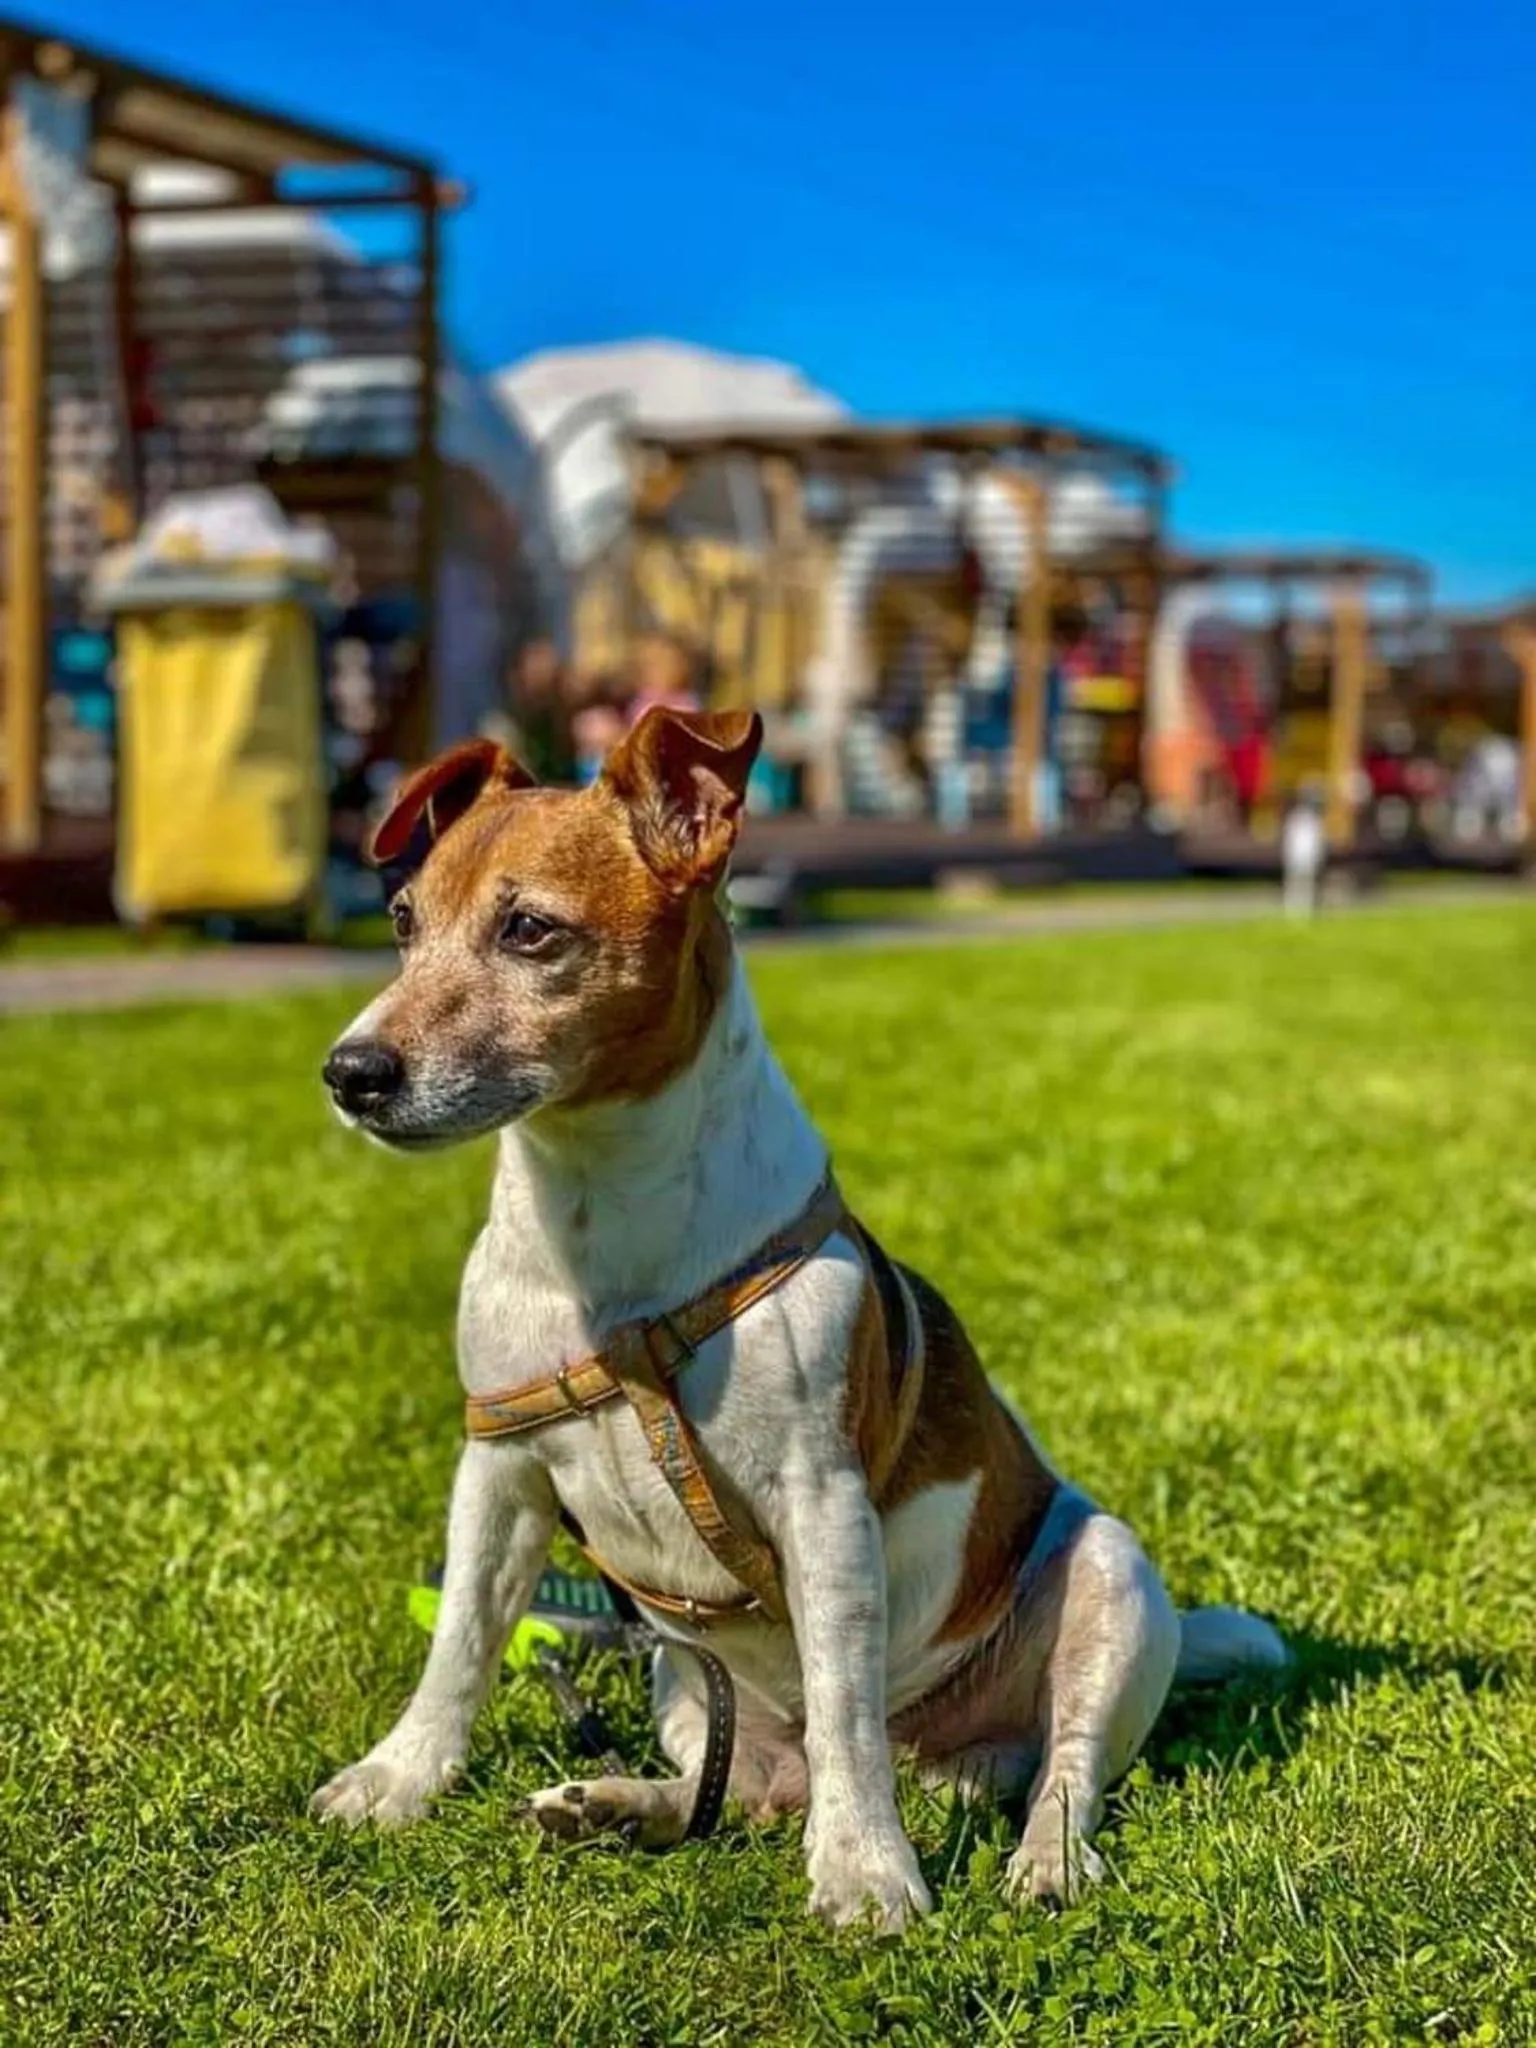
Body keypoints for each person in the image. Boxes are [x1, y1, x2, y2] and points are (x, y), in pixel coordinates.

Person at [1281, 784, 1326, 919]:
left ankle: (1305, 911)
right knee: (1295, 885)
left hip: (1307, 857)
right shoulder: (1297, 818)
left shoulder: (1314, 820)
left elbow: (1317, 842)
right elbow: (1291, 839)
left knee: (1307, 885)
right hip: (1297, 857)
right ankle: (1293, 911)